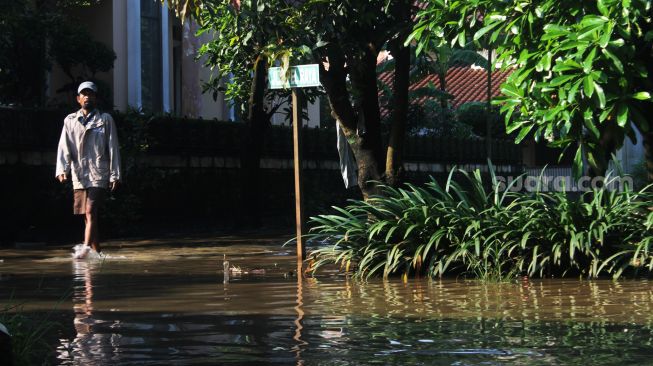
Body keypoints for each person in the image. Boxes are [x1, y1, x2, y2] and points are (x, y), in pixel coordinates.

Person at [56, 81, 121, 259]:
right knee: (87, 216)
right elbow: (64, 146)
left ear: (96, 98)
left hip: (99, 172)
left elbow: (113, 147)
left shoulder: (105, 120)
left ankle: (85, 248)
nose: (87, 97)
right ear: (78, 99)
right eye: (84, 94)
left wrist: (115, 174)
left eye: (91, 94)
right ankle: (98, 253)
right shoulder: (70, 120)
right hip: (79, 174)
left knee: (91, 210)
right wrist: (63, 169)